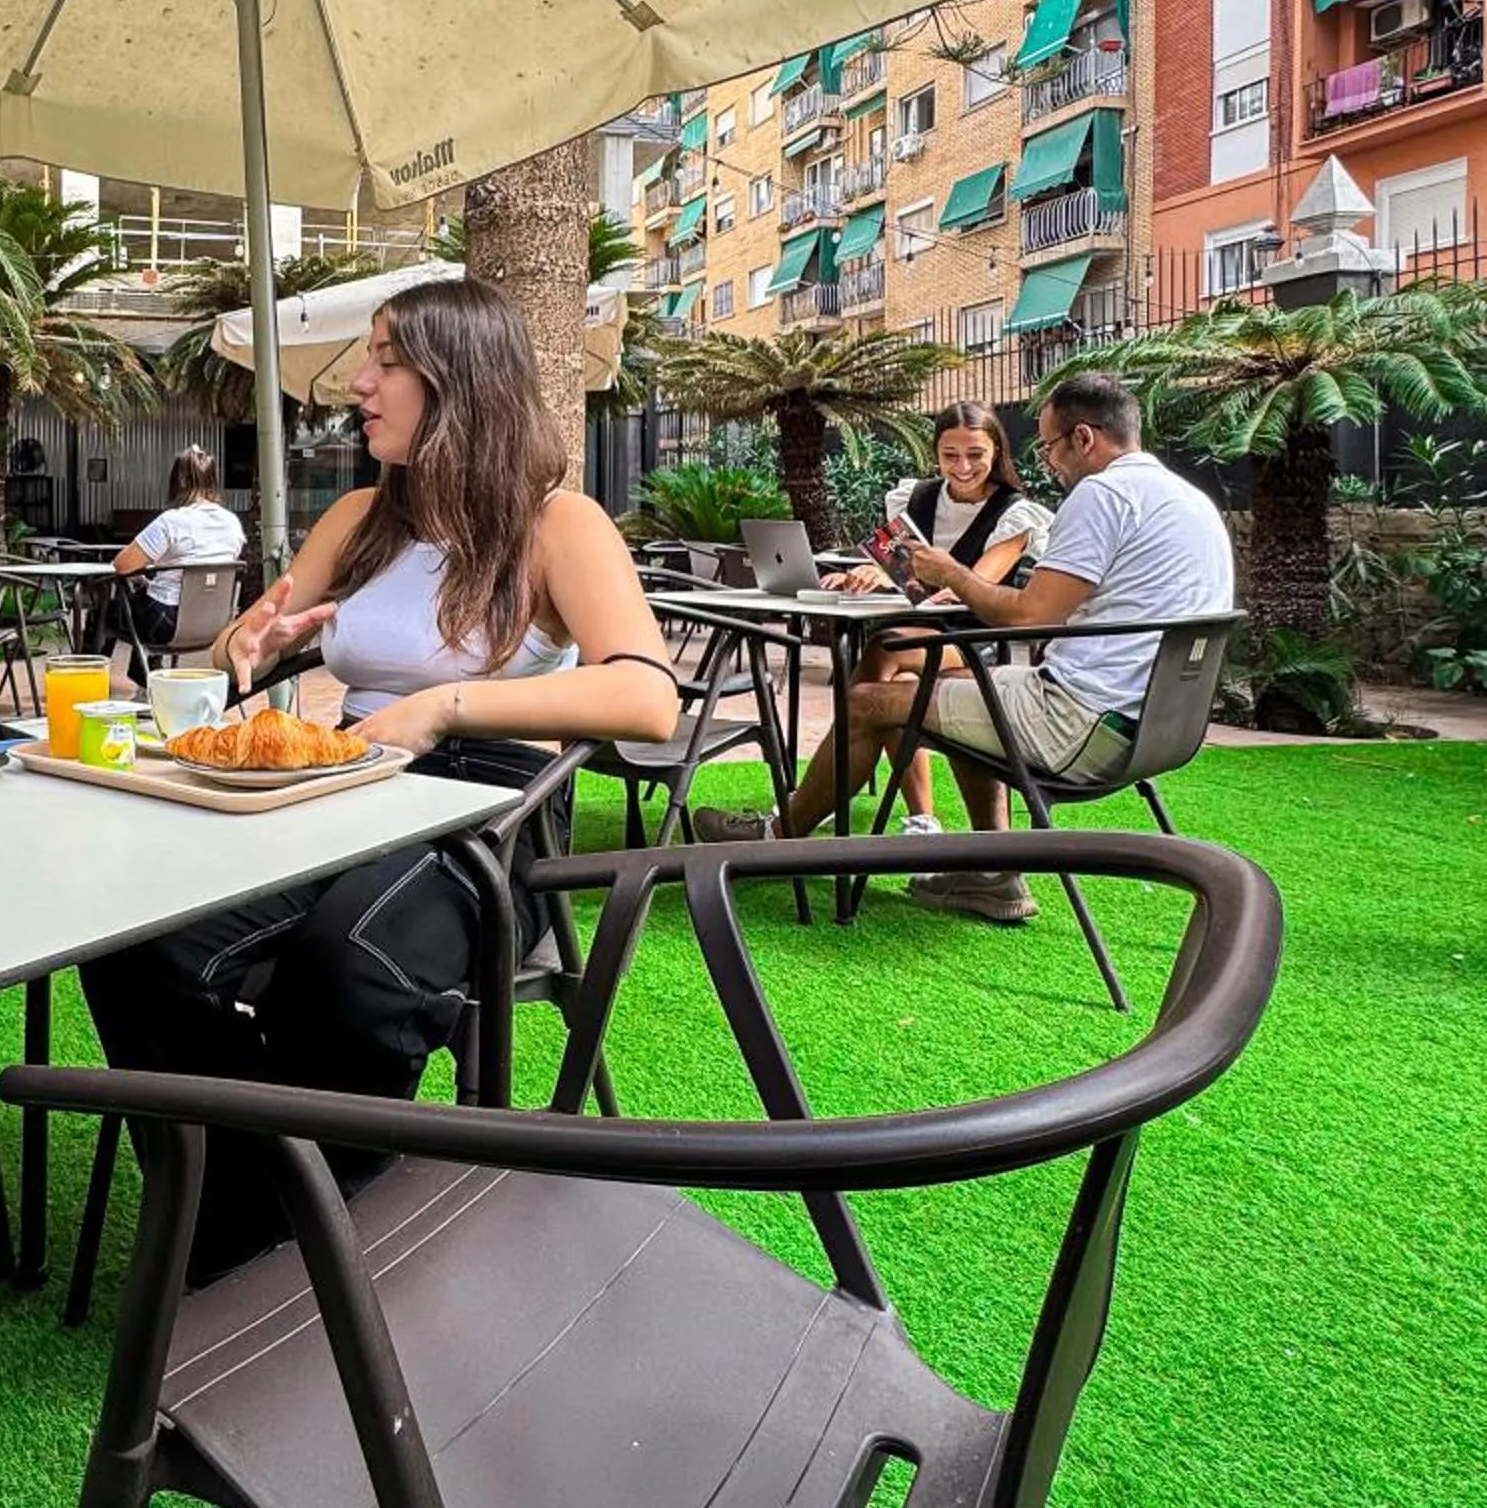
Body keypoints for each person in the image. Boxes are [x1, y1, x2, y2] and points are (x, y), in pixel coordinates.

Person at [79, 278, 681, 1280]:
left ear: (463, 382)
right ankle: (250, 1216)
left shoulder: (556, 525)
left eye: (388, 360)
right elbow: (244, 641)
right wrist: (249, 642)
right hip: (349, 783)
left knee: (350, 960)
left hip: (488, 809)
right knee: (132, 936)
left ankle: (284, 1241)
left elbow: (647, 698)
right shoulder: (360, 517)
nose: (359, 383)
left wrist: (450, 706)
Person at [701, 368, 1232, 928]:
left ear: (1084, 439)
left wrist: (951, 572)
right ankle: (991, 871)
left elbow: (1032, 617)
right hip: (1158, 728)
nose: (1048, 460)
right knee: (949, 688)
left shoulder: (1102, 493)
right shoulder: (1187, 499)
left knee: (866, 703)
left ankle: (775, 840)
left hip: (1079, 724)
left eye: (1051, 444)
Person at [810, 402, 1053, 839]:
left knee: (883, 649)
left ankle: (820, 797)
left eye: (976, 454)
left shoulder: (1015, 513)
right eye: (950, 455)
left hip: (973, 642)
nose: (962, 466)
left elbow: (974, 588)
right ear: (936, 453)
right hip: (913, 632)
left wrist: (924, 577)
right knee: (886, 679)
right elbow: (901, 574)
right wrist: (871, 574)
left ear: (996, 452)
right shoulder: (915, 499)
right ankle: (920, 817)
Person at [113, 446, 246, 651]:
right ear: (213, 481)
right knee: (146, 594)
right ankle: (142, 673)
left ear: (179, 481)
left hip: (167, 623)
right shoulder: (233, 523)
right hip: (214, 622)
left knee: (107, 609)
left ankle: (87, 672)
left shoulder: (172, 521)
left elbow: (122, 565)